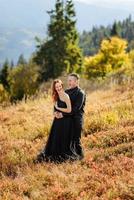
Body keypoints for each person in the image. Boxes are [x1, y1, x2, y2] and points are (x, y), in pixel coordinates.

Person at [33, 77, 85, 164]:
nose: (59, 88)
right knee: (57, 137)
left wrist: (60, 110)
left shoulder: (73, 94)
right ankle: (55, 154)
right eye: (57, 87)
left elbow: (72, 109)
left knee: (69, 139)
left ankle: (76, 157)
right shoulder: (61, 94)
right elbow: (55, 107)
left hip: (70, 120)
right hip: (59, 120)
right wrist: (55, 112)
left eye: (60, 86)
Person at [55, 73, 86, 160]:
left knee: (76, 141)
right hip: (66, 120)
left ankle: (81, 159)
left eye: (70, 80)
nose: (68, 82)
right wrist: (56, 112)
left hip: (76, 120)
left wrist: (63, 114)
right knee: (66, 140)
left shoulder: (81, 93)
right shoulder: (66, 92)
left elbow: (76, 109)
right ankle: (68, 158)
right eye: (68, 80)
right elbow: (60, 103)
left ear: (76, 81)